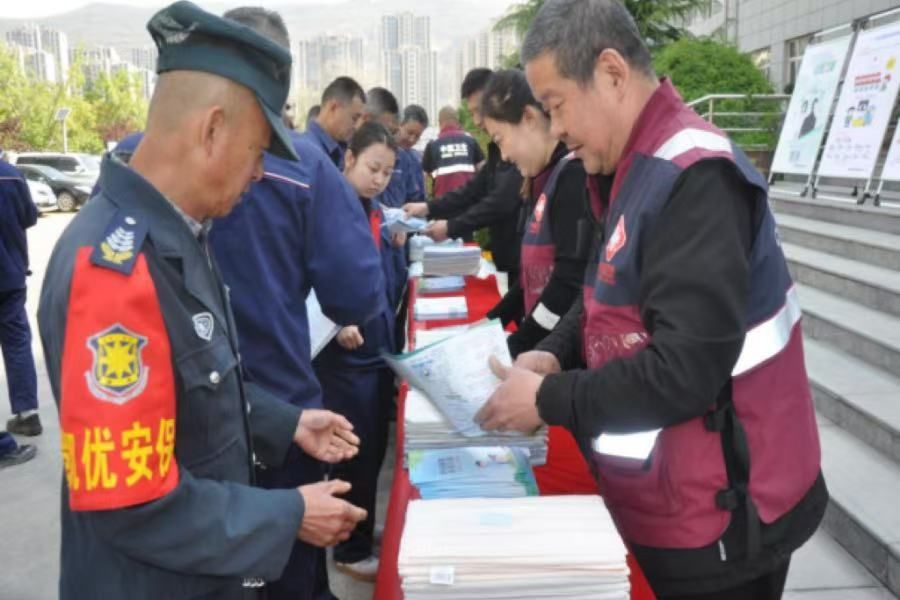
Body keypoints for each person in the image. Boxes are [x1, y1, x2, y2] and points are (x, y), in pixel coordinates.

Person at [476, 2, 826, 599]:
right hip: (665, 493)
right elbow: (604, 296)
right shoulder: (627, 165)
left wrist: (547, 399)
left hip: (726, 514)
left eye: (557, 105)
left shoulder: (694, 177)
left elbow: (685, 368)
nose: (555, 130)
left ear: (612, 73)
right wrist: (556, 354)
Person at [37, 3, 367, 598]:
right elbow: (131, 504)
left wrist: (287, 422)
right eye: (258, 150)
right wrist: (289, 514)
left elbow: (196, 394)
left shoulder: (178, 236)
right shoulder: (113, 272)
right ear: (212, 130)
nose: (260, 174)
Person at [208, 8, 386, 600]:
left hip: (193, 426)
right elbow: (356, 294)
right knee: (289, 576)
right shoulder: (302, 165)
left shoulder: (137, 164)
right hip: (282, 414)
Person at [314, 122, 400, 582]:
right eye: (372, 168)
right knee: (353, 452)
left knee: (374, 448)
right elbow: (306, 276)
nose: (379, 179)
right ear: (348, 159)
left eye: (387, 172)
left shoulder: (371, 209)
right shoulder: (328, 208)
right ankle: (349, 547)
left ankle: (362, 526)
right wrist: (337, 320)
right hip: (345, 359)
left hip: (375, 351)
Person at [403, 68, 524, 280]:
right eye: (472, 113)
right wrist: (428, 207)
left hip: (523, 256)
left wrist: (451, 227)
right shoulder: (495, 150)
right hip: (511, 260)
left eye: (479, 111)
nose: (477, 121)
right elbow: (471, 190)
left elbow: (501, 200)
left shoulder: (521, 150)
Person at [0, 156, 41, 437]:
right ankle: (27, 415)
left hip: (11, 273)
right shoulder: (12, 175)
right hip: (10, 275)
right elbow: (29, 217)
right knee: (17, 343)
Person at [302, 76, 367, 169]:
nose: (356, 126)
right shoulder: (307, 152)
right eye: (354, 118)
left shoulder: (343, 150)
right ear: (333, 107)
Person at [421, 105, 484, 197]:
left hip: (442, 201)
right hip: (469, 200)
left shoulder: (433, 144)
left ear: (440, 123)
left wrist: (425, 198)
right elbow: (483, 169)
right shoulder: (470, 140)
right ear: (457, 121)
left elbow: (422, 176)